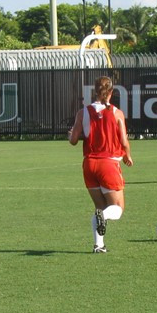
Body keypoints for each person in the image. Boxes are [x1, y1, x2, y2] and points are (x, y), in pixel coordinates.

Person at [68, 76, 133, 253]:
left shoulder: (83, 113)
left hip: (89, 164)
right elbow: (124, 140)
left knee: (99, 207)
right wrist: (128, 156)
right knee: (117, 209)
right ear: (111, 92)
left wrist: (71, 135)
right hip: (108, 164)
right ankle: (103, 218)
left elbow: (73, 140)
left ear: (95, 91)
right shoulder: (116, 113)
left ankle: (99, 245)